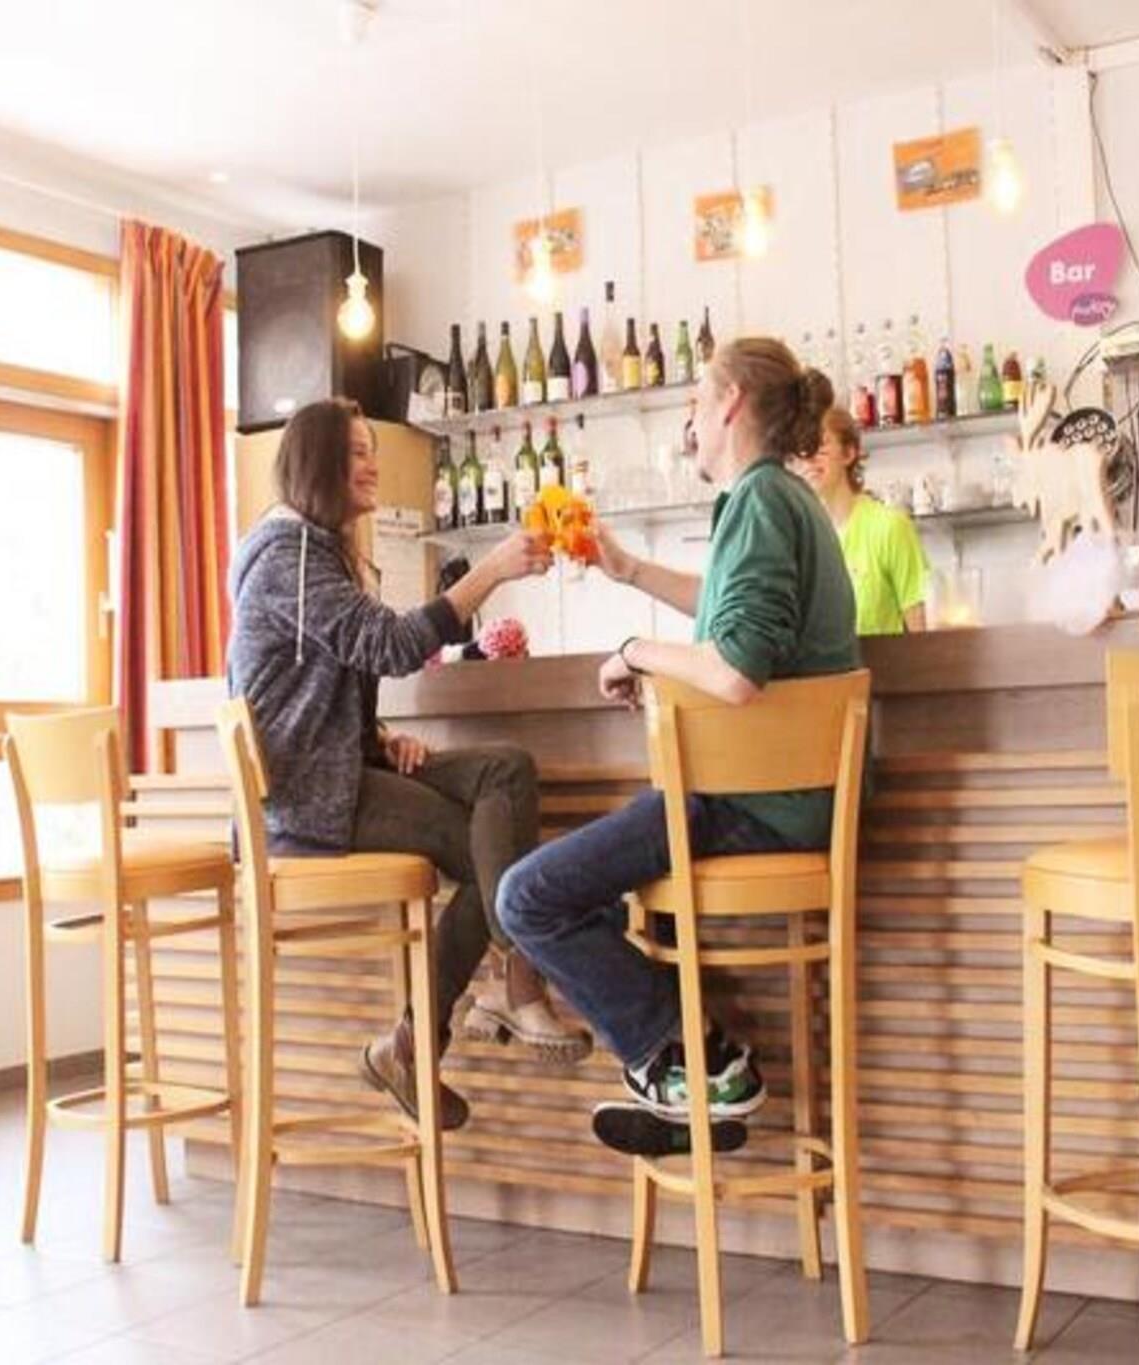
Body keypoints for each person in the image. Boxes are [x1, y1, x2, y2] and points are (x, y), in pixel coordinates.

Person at [496, 339, 859, 1156]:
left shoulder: (761, 501)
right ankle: (687, 1064)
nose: (688, 418)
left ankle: (700, 1062)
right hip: (770, 799)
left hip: (756, 804)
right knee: (580, 899)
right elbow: (728, 608)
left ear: (731, 402)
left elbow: (736, 667)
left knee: (528, 899)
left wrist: (635, 652)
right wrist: (628, 570)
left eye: (696, 398)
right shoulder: (776, 498)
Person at [226, 400, 586, 1133]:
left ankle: (444, 1022)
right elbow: (390, 646)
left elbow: (316, 677)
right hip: (310, 800)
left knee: (506, 773)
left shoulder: (313, 551)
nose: (373, 466)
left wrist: (379, 734)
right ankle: (502, 984)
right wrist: (491, 571)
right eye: (358, 452)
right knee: (494, 855)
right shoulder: (290, 556)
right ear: (318, 464)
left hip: (340, 772)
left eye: (372, 450)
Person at [788, 406, 930, 635]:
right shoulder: (797, 542)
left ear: (849, 453)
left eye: (820, 445)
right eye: (801, 450)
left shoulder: (890, 527)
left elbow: (923, 634)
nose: (809, 458)